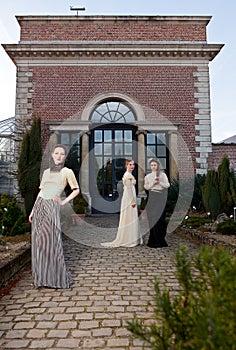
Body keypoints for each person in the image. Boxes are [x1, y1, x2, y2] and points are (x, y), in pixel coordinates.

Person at [29, 144, 80, 288]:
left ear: (64, 157)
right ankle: (42, 278)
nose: (59, 156)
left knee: (50, 242)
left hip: (52, 207)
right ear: (52, 155)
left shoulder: (67, 171)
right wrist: (33, 211)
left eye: (62, 154)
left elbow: (76, 190)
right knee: (39, 243)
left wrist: (63, 202)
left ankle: (55, 278)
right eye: (56, 153)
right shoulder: (46, 172)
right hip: (40, 206)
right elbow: (41, 192)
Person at [101, 159, 143, 247]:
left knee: (131, 218)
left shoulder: (130, 174)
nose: (132, 166)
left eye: (133, 165)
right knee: (129, 218)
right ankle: (129, 239)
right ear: (126, 166)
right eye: (130, 165)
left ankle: (132, 238)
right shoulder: (127, 175)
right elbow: (128, 189)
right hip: (129, 198)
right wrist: (132, 201)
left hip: (130, 197)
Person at [144, 159, 170, 248]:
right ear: (150, 166)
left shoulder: (163, 175)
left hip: (160, 198)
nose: (153, 167)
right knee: (152, 219)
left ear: (158, 166)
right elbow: (146, 187)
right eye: (152, 165)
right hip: (152, 198)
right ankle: (153, 241)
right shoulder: (147, 176)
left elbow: (167, 185)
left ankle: (161, 240)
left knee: (161, 220)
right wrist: (153, 183)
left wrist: (160, 182)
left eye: (155, 165)